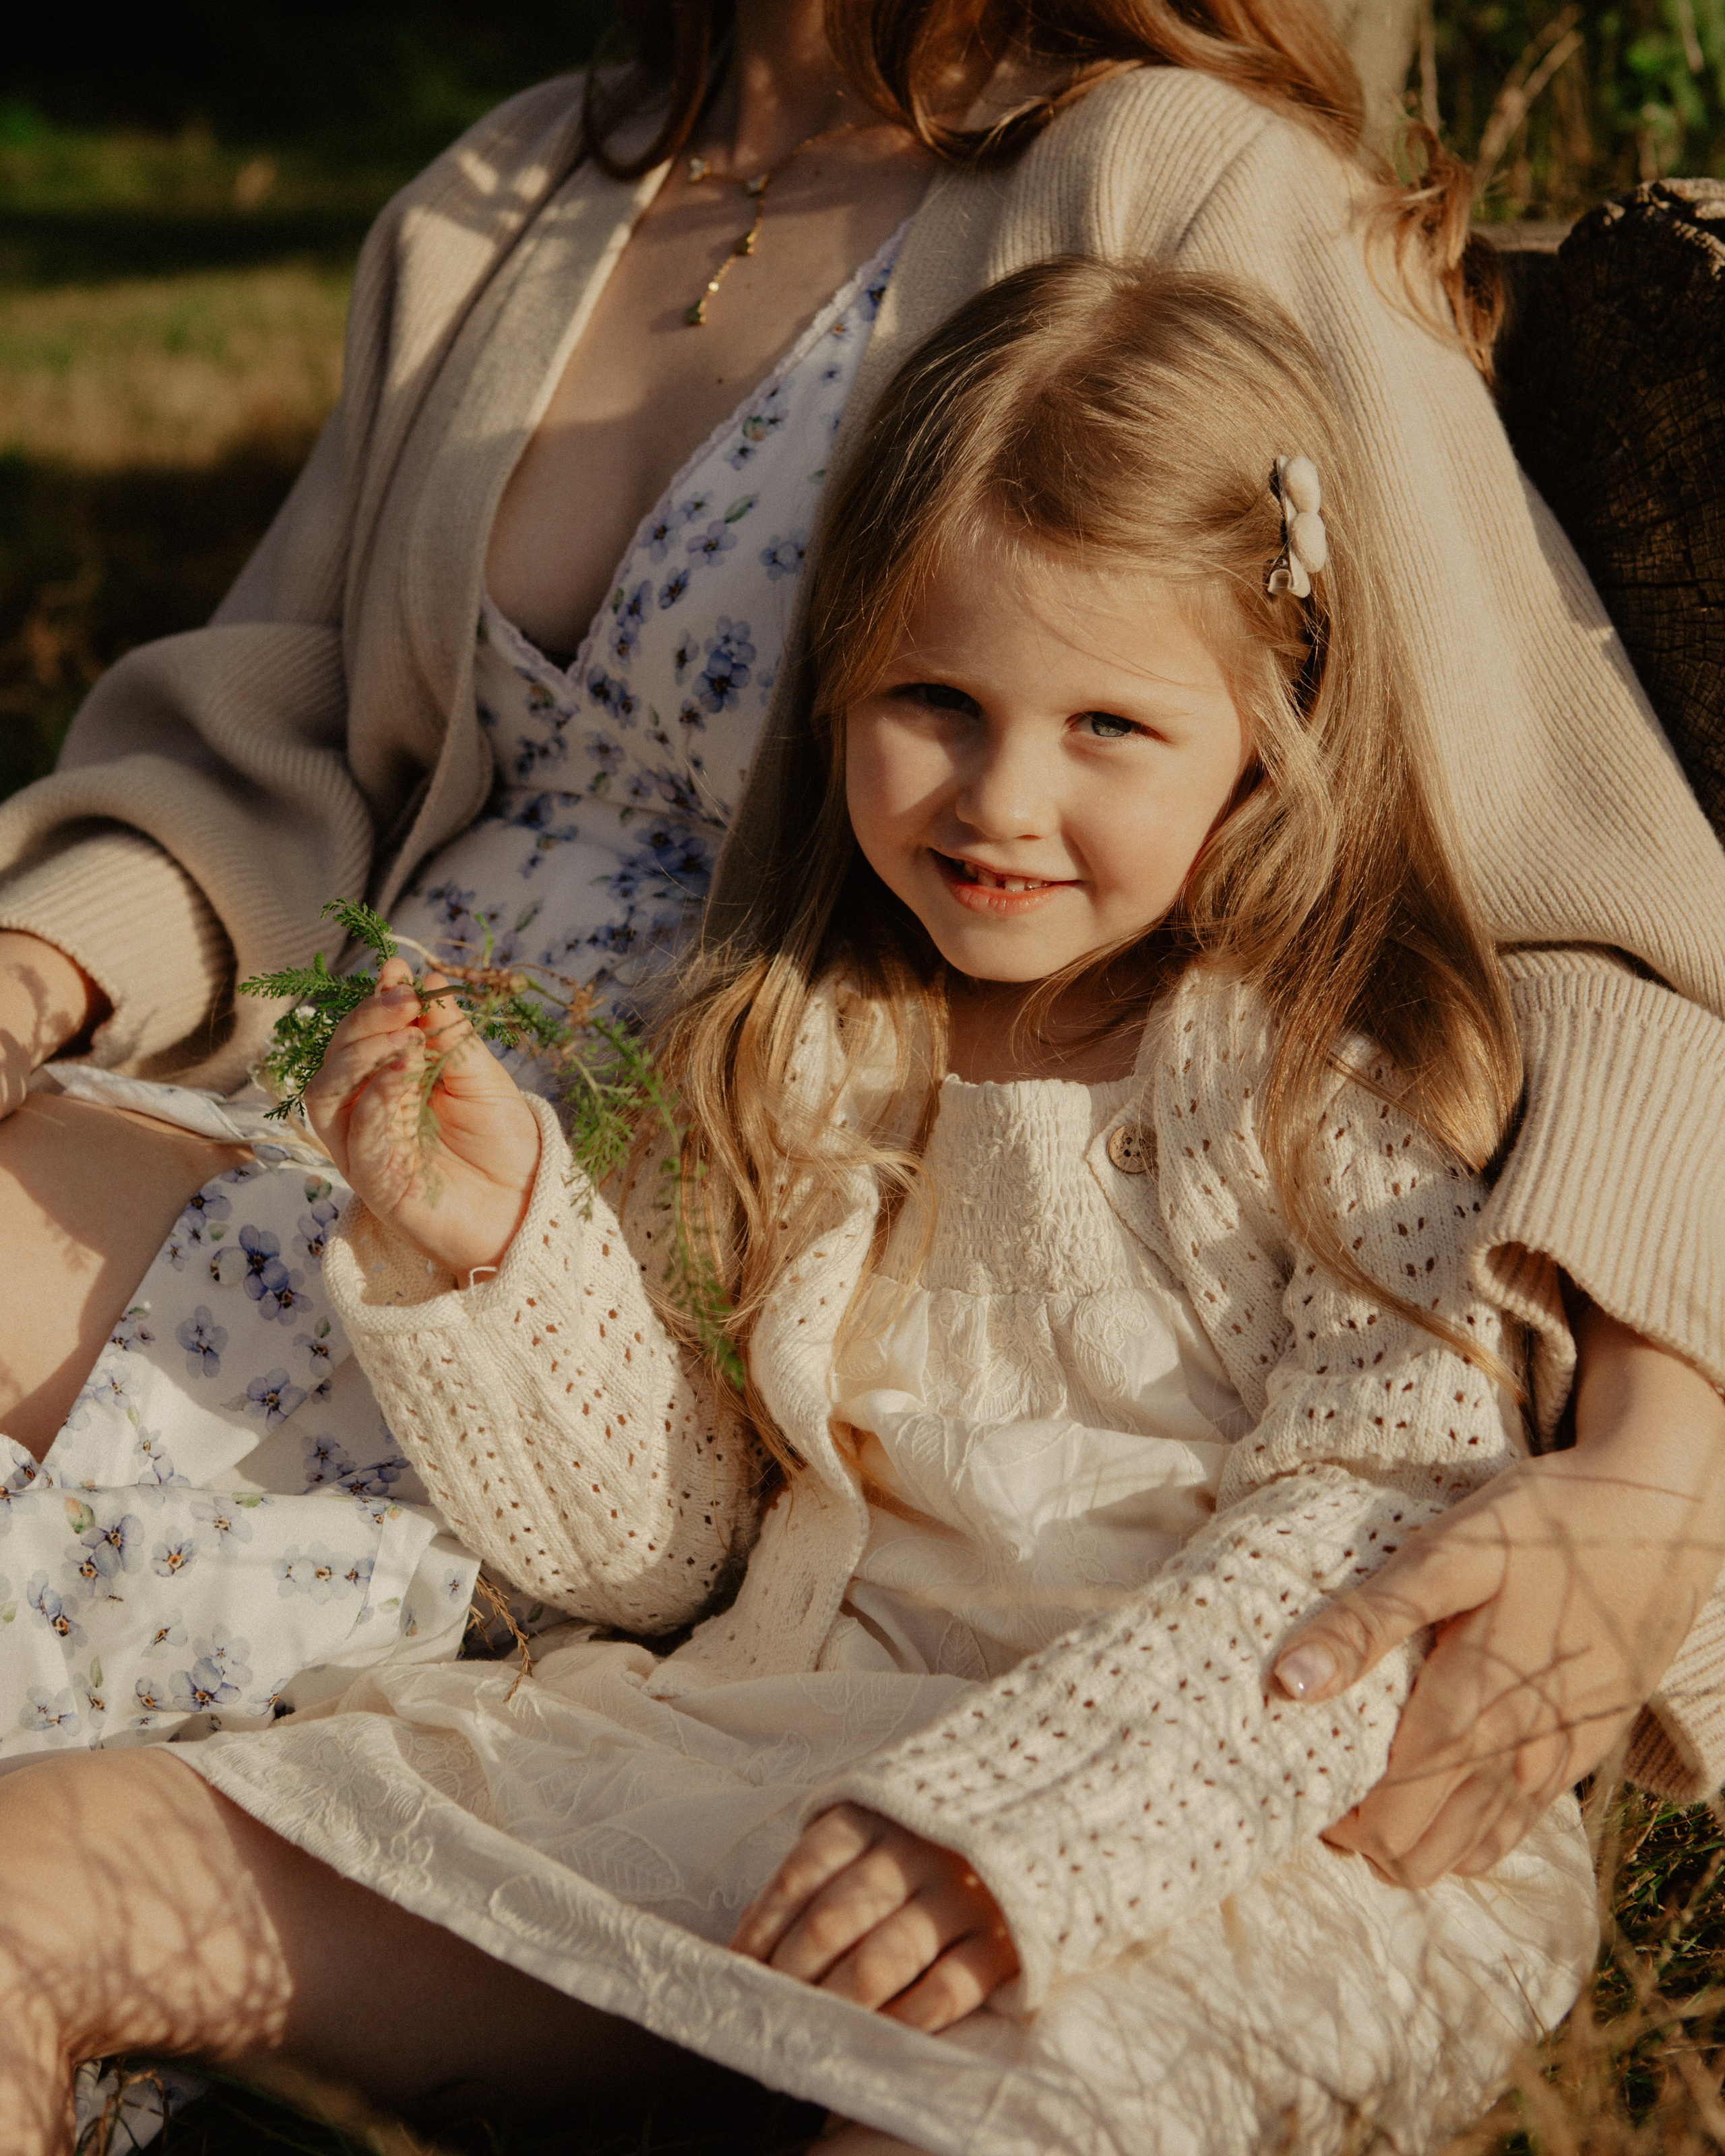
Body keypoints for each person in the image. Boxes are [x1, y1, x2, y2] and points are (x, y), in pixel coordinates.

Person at [0, 0, 1722, 1867]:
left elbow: (1585, 890)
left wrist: (1662, 1452)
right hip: (364, 1119)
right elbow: (281, 743)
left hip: (699, 1313)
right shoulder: (512, 191)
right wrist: (42, 962)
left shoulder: (1178, 177)